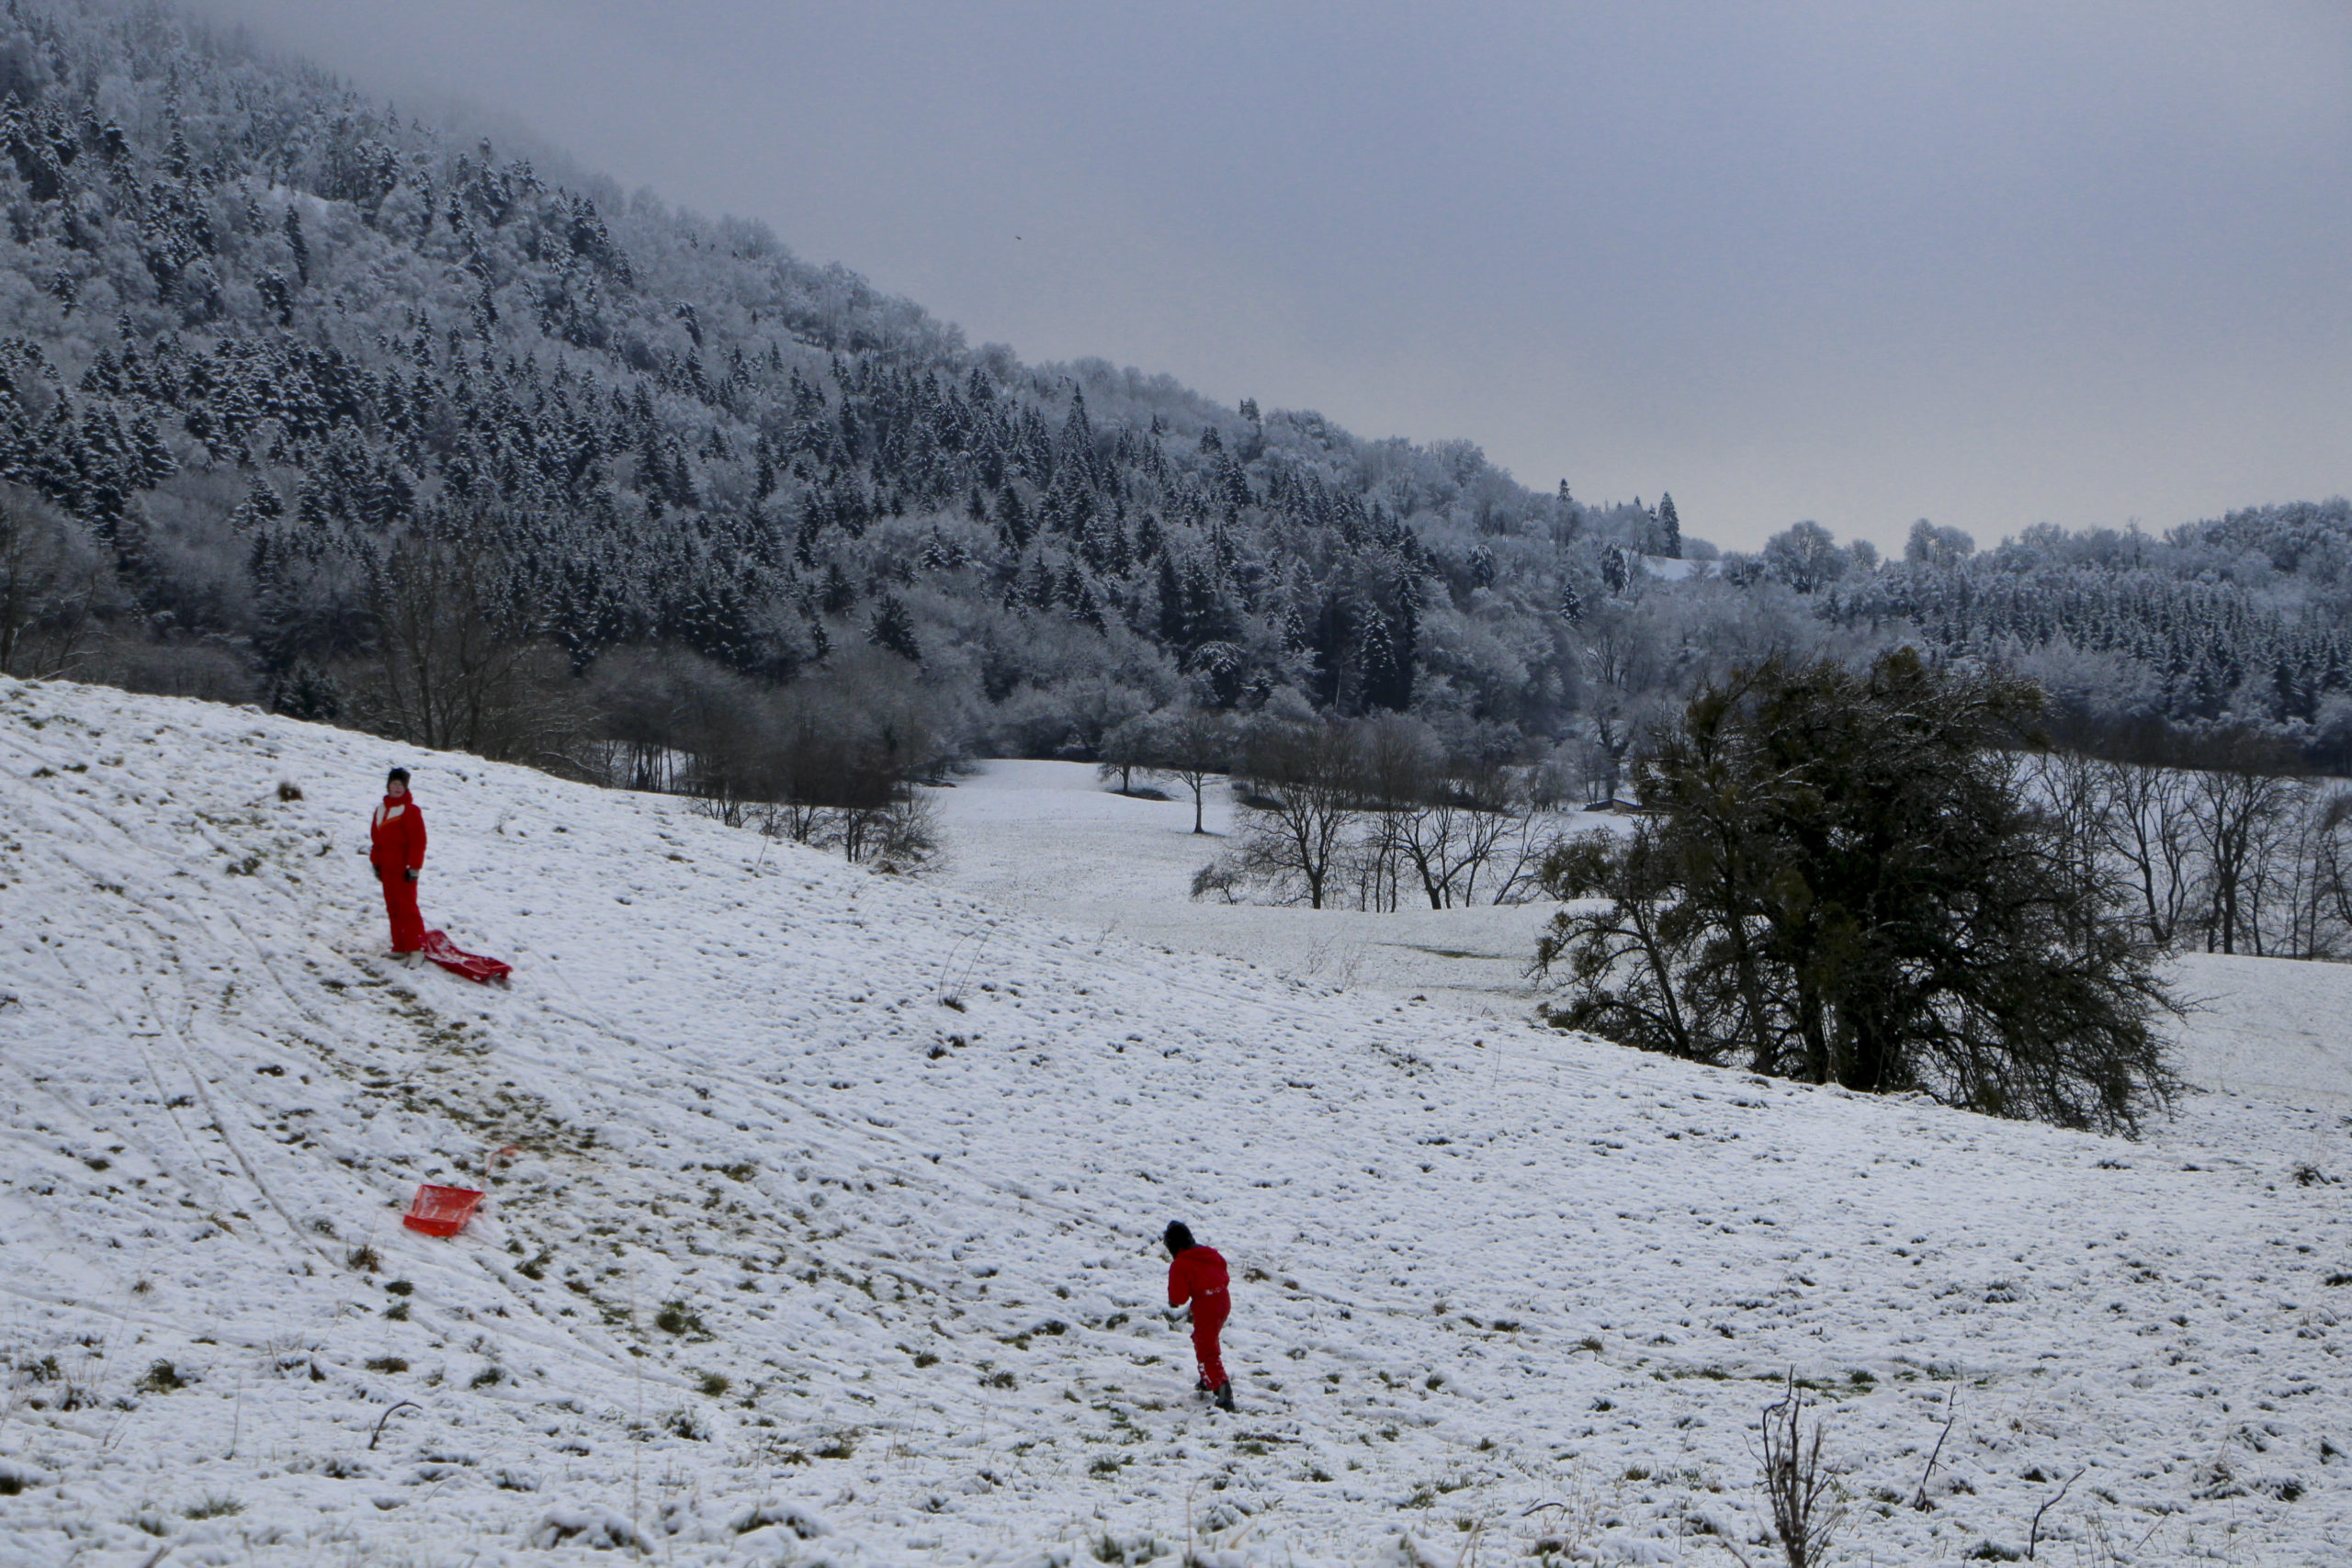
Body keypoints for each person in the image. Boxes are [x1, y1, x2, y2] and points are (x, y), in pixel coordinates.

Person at [1165, 1221, 1234, 1411]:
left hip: (1206, 1307)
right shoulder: (1210, 1253)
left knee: (1206, 1351)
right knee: (1205, 1340)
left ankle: (1223, 1393)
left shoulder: (1180, 1264)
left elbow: (1178, 1297)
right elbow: (1223, 1272)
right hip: (1223, 1300)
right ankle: (1208, 1379)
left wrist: (1173, 1301)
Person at [370, 767, 427, 960]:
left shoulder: (410, 811)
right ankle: (400, 947)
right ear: (388, 785)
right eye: (394, 784)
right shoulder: (380, 810)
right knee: (393, 907)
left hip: (404, 870)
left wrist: (414, 867)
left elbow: (418, 841)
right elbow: (377, 840)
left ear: (406, 788)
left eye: (400, 785)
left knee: (407, 909)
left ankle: (416, 949)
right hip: (387, 868)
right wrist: (376, 863)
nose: (396, 788)